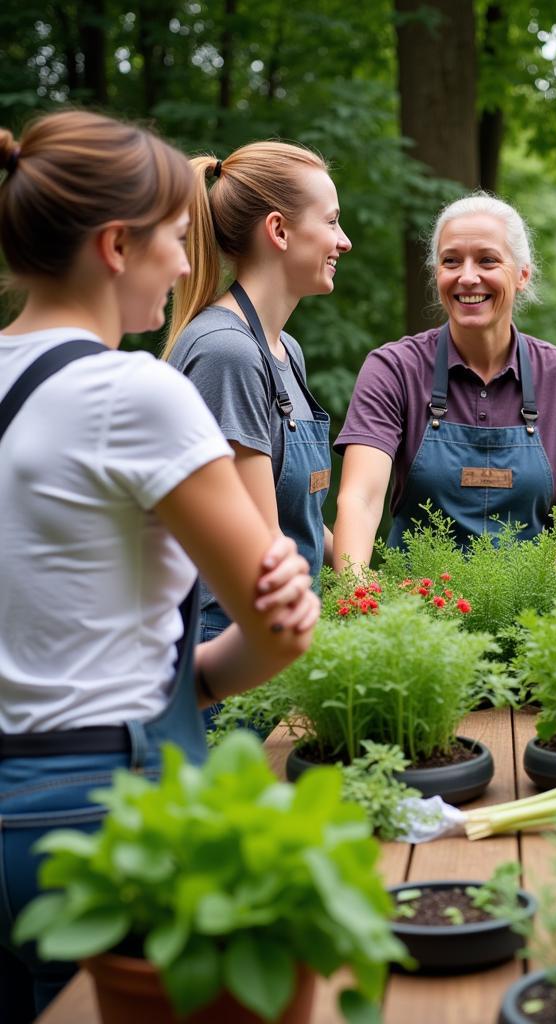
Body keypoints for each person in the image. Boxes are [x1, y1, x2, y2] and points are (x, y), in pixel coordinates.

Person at [0, 111, 319, 1020]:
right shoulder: (135, 392)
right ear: (114, 245)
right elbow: (277, 627)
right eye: (175, 241)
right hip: (102, 818)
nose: (187, 266)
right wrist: (282, 615)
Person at [332, 192, 556, 569]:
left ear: (522, 274)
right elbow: (361, 499)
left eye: (487, 260)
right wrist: (356, 592)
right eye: (451, 261)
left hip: (529, 614)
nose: (467, 277)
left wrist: (542, 593)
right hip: (412, 610)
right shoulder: (393, 368)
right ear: (437, 273)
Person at [165, 141, 346, 644]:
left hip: (277, 631)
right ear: (279, 230)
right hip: (229, 645)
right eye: (331, 222)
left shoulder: (284, 348)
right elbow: (261, 544)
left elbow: (295, 520)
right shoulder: (228, 353)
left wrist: (359, 581)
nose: (344, 241)